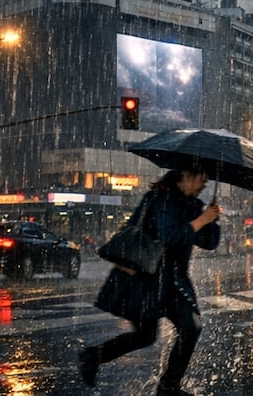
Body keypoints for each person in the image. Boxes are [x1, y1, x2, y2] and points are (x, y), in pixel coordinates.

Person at [79, 165, 221, 395]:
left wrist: (211, 219)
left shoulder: (193, 206)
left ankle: (167, 386)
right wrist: (200, 221)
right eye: (201, 181)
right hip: (148, 280)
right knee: (148, 335)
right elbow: (169, 236)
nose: (204, 186)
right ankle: (93, 356)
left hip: (173, 282)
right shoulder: (160, 199)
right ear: (186, 175)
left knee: (190, 328)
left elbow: (209, 242)